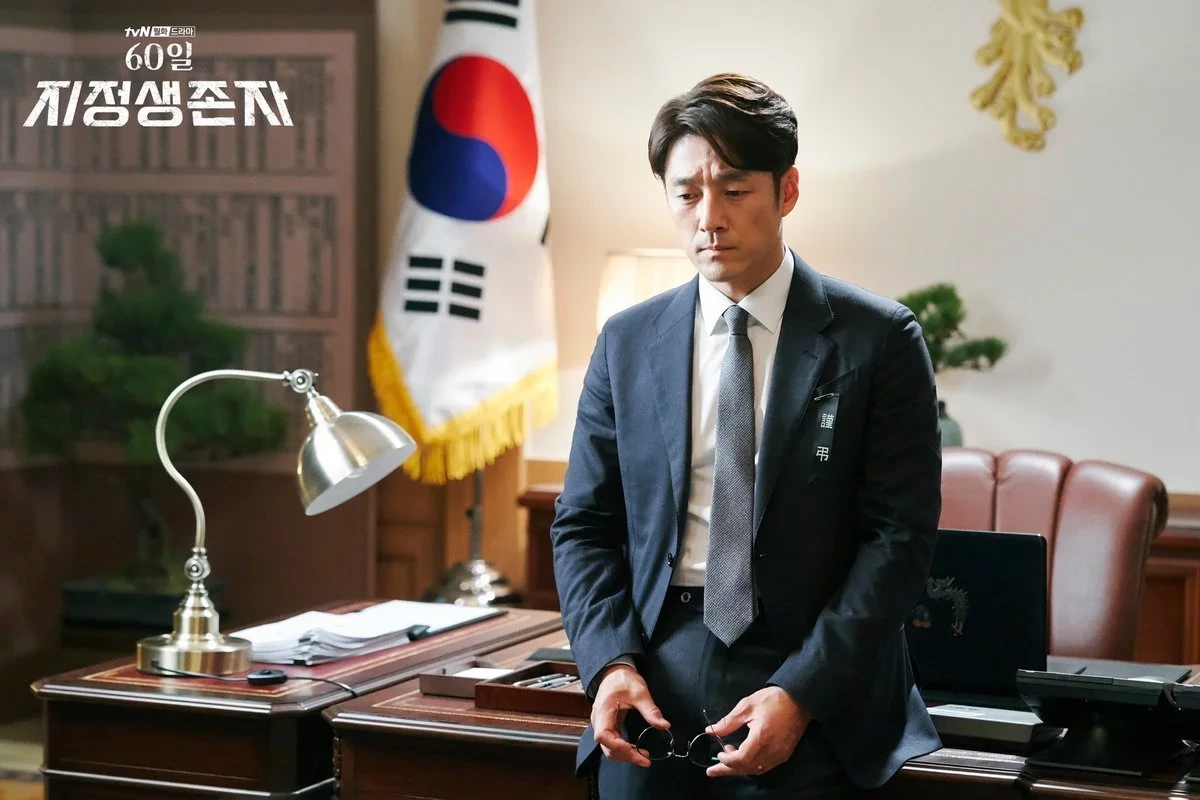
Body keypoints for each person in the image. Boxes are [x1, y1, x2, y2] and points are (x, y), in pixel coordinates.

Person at [550, 72, 943, 799]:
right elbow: (582, 523)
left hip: (813, 662)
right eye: (687, 195)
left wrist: (802, 691)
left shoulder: (878, 339)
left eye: (734, 191)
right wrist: (609, 665)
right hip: (656, 659)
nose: (710, 219)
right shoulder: (627, 342)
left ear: (786, 191)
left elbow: (899, 538)